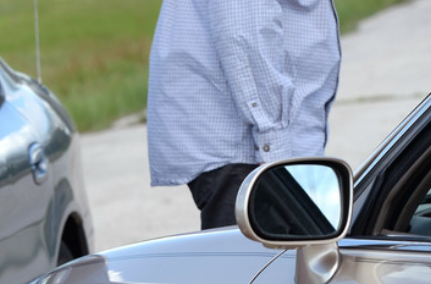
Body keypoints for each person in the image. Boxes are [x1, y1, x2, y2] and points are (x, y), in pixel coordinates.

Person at [146, 0, 341, 230]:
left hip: (255, 146)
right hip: (250, 151)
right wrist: (273, 150)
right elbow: (244, 33)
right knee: (259, 263)